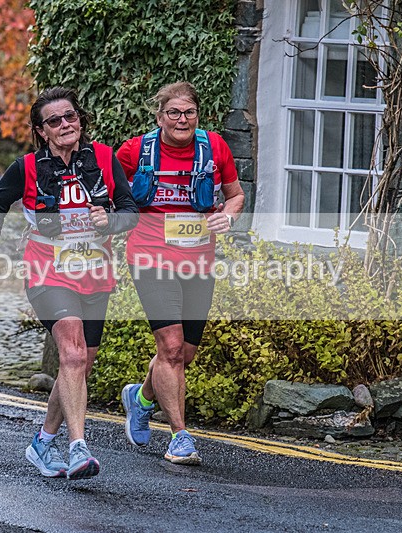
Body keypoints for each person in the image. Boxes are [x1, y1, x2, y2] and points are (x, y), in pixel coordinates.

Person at [0, 87, 138, 479]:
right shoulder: (27, 168)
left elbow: (131, 211)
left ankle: (42, 443)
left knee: (79, 365)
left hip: (95, 272)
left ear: (80, 120)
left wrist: (111, 221)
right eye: (54, 121)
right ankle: (78, 449)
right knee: (73, 354)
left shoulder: (103, 159)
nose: (65, 125)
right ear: (42, 131)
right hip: (46, 271)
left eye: (70, 117)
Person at [116, 81, 244, 465]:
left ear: (197, 116)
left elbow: (235, 195)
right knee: (170, 348)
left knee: (183, 354)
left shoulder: (215, 148)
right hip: (150, 256)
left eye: (188, 112)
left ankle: (139, 399)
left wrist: (228, 215)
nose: (181, 119)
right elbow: (111, 194)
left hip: (197, 261)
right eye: (173, 112)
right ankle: (180, 437)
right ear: (160, 117)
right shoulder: (135, 151)